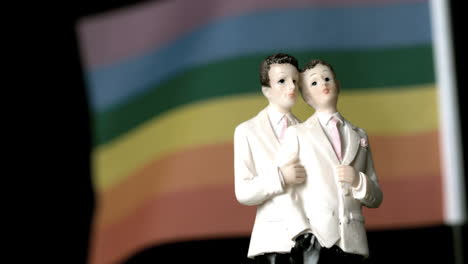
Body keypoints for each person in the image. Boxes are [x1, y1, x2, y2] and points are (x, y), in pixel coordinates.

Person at [278, 59, 383, 264]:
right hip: (315, 239)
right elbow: (285, 190)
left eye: (327, 78)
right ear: (306, 96)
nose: (324, 84)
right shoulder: (297, 134)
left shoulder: (358, 135)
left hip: (353, 241)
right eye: (314, 83)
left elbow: (376, 197)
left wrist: (358, 181)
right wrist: (301, 231)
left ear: (337, 85)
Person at [234, 53, 309, 263]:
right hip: (272, 241)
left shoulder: (308, 131)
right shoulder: (247, 131)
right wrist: (281, 177)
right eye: (282, 81)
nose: (291, 87)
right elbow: (244, 191)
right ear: (266, 90)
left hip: (308, 239)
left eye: (295, 80)